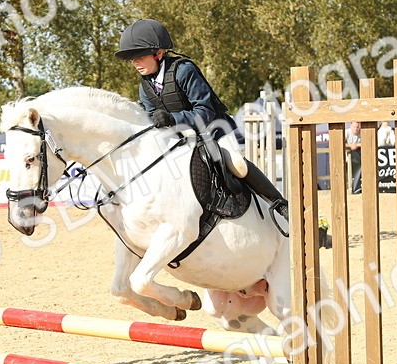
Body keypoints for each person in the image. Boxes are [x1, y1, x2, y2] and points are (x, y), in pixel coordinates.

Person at [114, 19, 288, 219]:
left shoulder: (184, 70)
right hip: (182, 138)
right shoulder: (145, 86)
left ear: (158, 53)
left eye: (140, 56)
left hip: (214, 129)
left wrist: (172, 118)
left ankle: (280, 204)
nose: (135, 62)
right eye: (132, 58)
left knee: (237, 165)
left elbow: (205, 110)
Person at [346, 122, 362, 195]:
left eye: (357, 127)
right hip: (347, 154)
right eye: (354, 127)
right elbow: (339, 142)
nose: (356, 129)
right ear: (351, 126)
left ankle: (356, 188)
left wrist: (356, 145)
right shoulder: (346, 132)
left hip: (358, 154)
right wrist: (350, 145)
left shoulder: (362, 132)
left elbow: (367, 142)